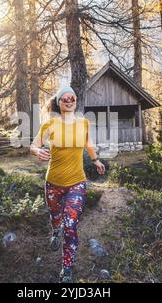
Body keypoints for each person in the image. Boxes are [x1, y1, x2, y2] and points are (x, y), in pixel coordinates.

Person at [30, 85, 105, 283]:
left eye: (72, 97)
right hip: (53, 183)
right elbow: (34, 146)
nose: (69, 100)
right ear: (59, 102)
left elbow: (87, 143)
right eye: (65, 98)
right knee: (56, 217)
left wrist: (96, 160)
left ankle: (67, 268)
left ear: (76, 101)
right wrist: (38, 152)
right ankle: (56, 229)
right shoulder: (50, 124)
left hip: (77, 182)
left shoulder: (84, 123)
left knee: (71, 224)